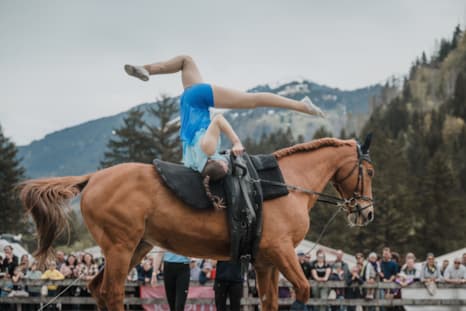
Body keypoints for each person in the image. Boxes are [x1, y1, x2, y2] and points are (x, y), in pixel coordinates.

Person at [124, 55, 325, 180]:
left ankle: (302, 106)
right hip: (190, 102)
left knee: (254, 100)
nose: (227, 164)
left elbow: (219, 119)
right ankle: (146, 69)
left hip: (198, 99)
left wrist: (237, 142)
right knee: (186, 60)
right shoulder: (195, 162)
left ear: (218, 163)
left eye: (224, 165)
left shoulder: (208, 149)